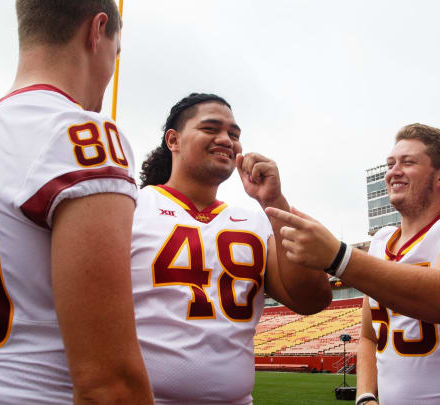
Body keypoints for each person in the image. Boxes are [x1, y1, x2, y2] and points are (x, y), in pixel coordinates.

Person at [0, 1, 152, 404]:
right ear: (97, 31)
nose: (110, 70)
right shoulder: (78, 132)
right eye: (115, 54)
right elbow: (110, 384)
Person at [266, 123, 440, 404]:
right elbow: (371, 337)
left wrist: (339, 256)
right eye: (391, 163)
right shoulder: (381, 241)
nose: (393, 171)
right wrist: (366, 395)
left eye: (408, 163)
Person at [132, 93, 332, 404]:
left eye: (234, 134)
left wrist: (274, 201)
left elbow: (312, 299)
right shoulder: (132, 206)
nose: (226, 139)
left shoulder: (255, 220)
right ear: (174, 140)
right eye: (211, 129)